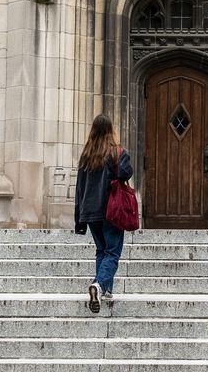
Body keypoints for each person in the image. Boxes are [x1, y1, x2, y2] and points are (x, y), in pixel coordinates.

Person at [72, 114, 133, 312]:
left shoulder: (86, 155)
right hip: (112, 210)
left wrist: (79, 218)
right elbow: (126, 172)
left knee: (101, 250)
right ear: (110, 130)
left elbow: (79, 187)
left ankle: (106, 290)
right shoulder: (116, 152)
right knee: (112, 252)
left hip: (90, 212)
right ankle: (98, 285)